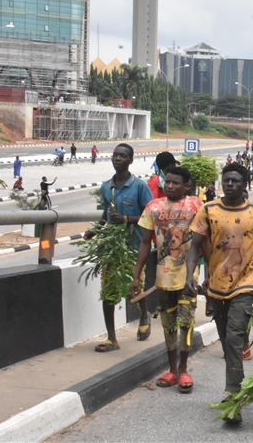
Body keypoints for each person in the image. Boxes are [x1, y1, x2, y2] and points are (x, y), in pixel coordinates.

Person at [185, 162, 253, 423]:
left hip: (246, 282)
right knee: (226, 339)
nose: (230, 184)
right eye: (227, 180)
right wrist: (191, 274)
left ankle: (233, 395)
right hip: (216, 284)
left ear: (245, 184)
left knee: (235, 336)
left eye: (236, 180)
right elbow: (195, 246)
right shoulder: (208, 210)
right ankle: (235, 383)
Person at [132, 167, 203, 393]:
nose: (170, 186)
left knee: (186, 322)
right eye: (167, 182)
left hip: (188, 278)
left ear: (186, 186)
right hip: (163, 277)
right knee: (168, 324)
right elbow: (145, 243)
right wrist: (136, 276)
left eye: (175, 183)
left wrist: (209, 276)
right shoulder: (153, 207)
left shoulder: (196, 206)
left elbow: (205, 242)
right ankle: (172, 369)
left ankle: (183, 368)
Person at [87, 144, 154, 353]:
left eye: (123, 156)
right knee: (108, 290)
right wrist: (95, 230)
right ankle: (111, 338)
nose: (118, 159)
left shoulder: (140, 186)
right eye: (115, 155)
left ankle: (144, 314)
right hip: (112, 247)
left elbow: (150, 215)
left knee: (134, 287)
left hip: (135, 247)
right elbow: (105, 214)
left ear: (130, 160)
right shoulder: (107, 187)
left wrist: (127, 219)